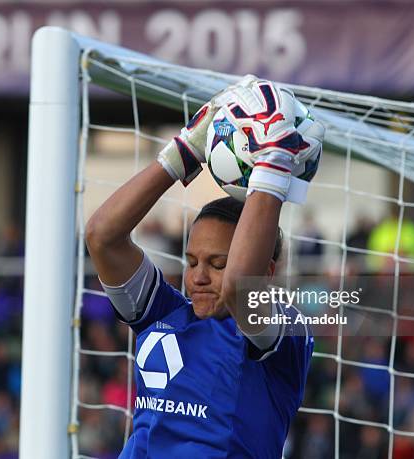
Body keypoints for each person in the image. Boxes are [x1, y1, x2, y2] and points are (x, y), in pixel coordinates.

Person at [86, 77, 323, 458]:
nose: (197, 277)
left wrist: (274, 162)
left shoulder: (283, 335)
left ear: (269, 271)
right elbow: (102, 236)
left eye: (217, 264)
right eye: (192, 261)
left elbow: (237, 289)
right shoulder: (160, 312)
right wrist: (182, 152)